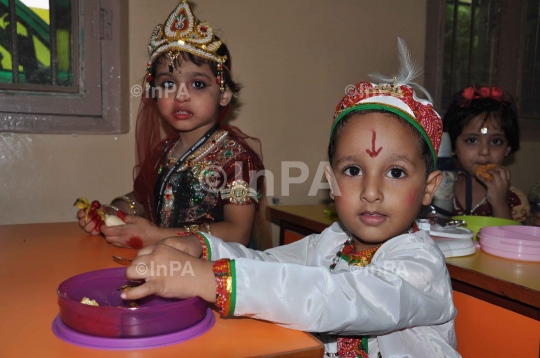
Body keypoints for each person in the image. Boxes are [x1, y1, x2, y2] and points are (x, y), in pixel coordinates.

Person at [122, 40, 460, 357]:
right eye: (354, 171)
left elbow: (336, 299)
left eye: (396, 173)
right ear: (331, 182)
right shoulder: (333, 243)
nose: (371, 192)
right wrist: (201, 247)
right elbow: (267, 264)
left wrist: (209, 279)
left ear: (430, 187)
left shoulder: (420, 267)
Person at [76, 0, 271, 249]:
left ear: (224, 94)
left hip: (218, 276)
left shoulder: (238, 159)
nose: (180, 95)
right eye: (168, 84)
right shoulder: (165, 153)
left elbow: (238, 233)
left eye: (197, 84)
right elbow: (143, 199)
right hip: (166, 265)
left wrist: (156, 235)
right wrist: (112, 212)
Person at [443, 87, 531, 222]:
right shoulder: (438, 188)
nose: (485, 151)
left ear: (508, 148)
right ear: (452, 146)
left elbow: (508, 240)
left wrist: (499, 203)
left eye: (496, 141)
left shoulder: (515, 200)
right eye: (472, 140)